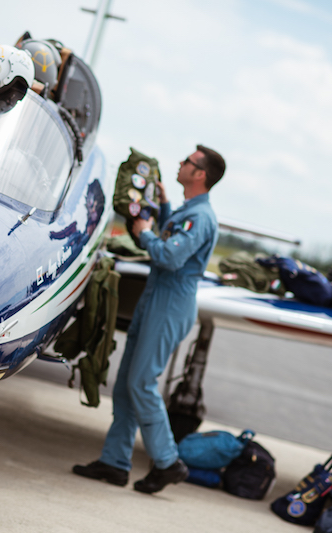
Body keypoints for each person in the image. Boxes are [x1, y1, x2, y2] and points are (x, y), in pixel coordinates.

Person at [73, 145, 226, 494]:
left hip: (170, 305)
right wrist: (165, 206)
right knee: (127, 383)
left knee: (141, 383)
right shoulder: (189, 211)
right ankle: (115, 462)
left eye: (188, 161)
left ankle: (168, 462)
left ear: (200, 174)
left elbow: (170, 257)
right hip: (155, 299)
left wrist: (143, 231)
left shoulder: (201, 217)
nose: (181, 162)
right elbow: (175, 235)